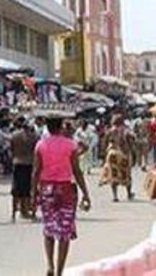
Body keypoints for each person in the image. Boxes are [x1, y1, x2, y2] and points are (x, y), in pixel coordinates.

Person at [32, 117, 91, 276]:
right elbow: (77, 171)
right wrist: (85, 194)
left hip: (47, 189)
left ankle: (50, 265)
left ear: (47, 127)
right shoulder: (71, 145)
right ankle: (59, 271)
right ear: (61, 127)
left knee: (49, 228)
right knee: (65, 232)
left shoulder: (40, 145)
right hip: (66, 189)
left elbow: (36, 172)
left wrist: (33, 194)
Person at [101, 114, 134, 202]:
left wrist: (103, 153)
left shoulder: (110, 131)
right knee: (127, 174)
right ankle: (129, 193)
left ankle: (115, 196)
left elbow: (104, 142)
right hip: (124, 154)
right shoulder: (126, 130)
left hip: (112, 154)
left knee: (113, 174)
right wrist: (132, 151)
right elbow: (131, 141)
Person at [11, 117, 38, 221]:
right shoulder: (34, 136)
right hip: (29, 163)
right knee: (28, 189)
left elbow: (12, 149)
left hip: (17, 162)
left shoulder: (14, 135)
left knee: (16, 189)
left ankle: (13, 213)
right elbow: (35, 151)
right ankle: (27, 211)